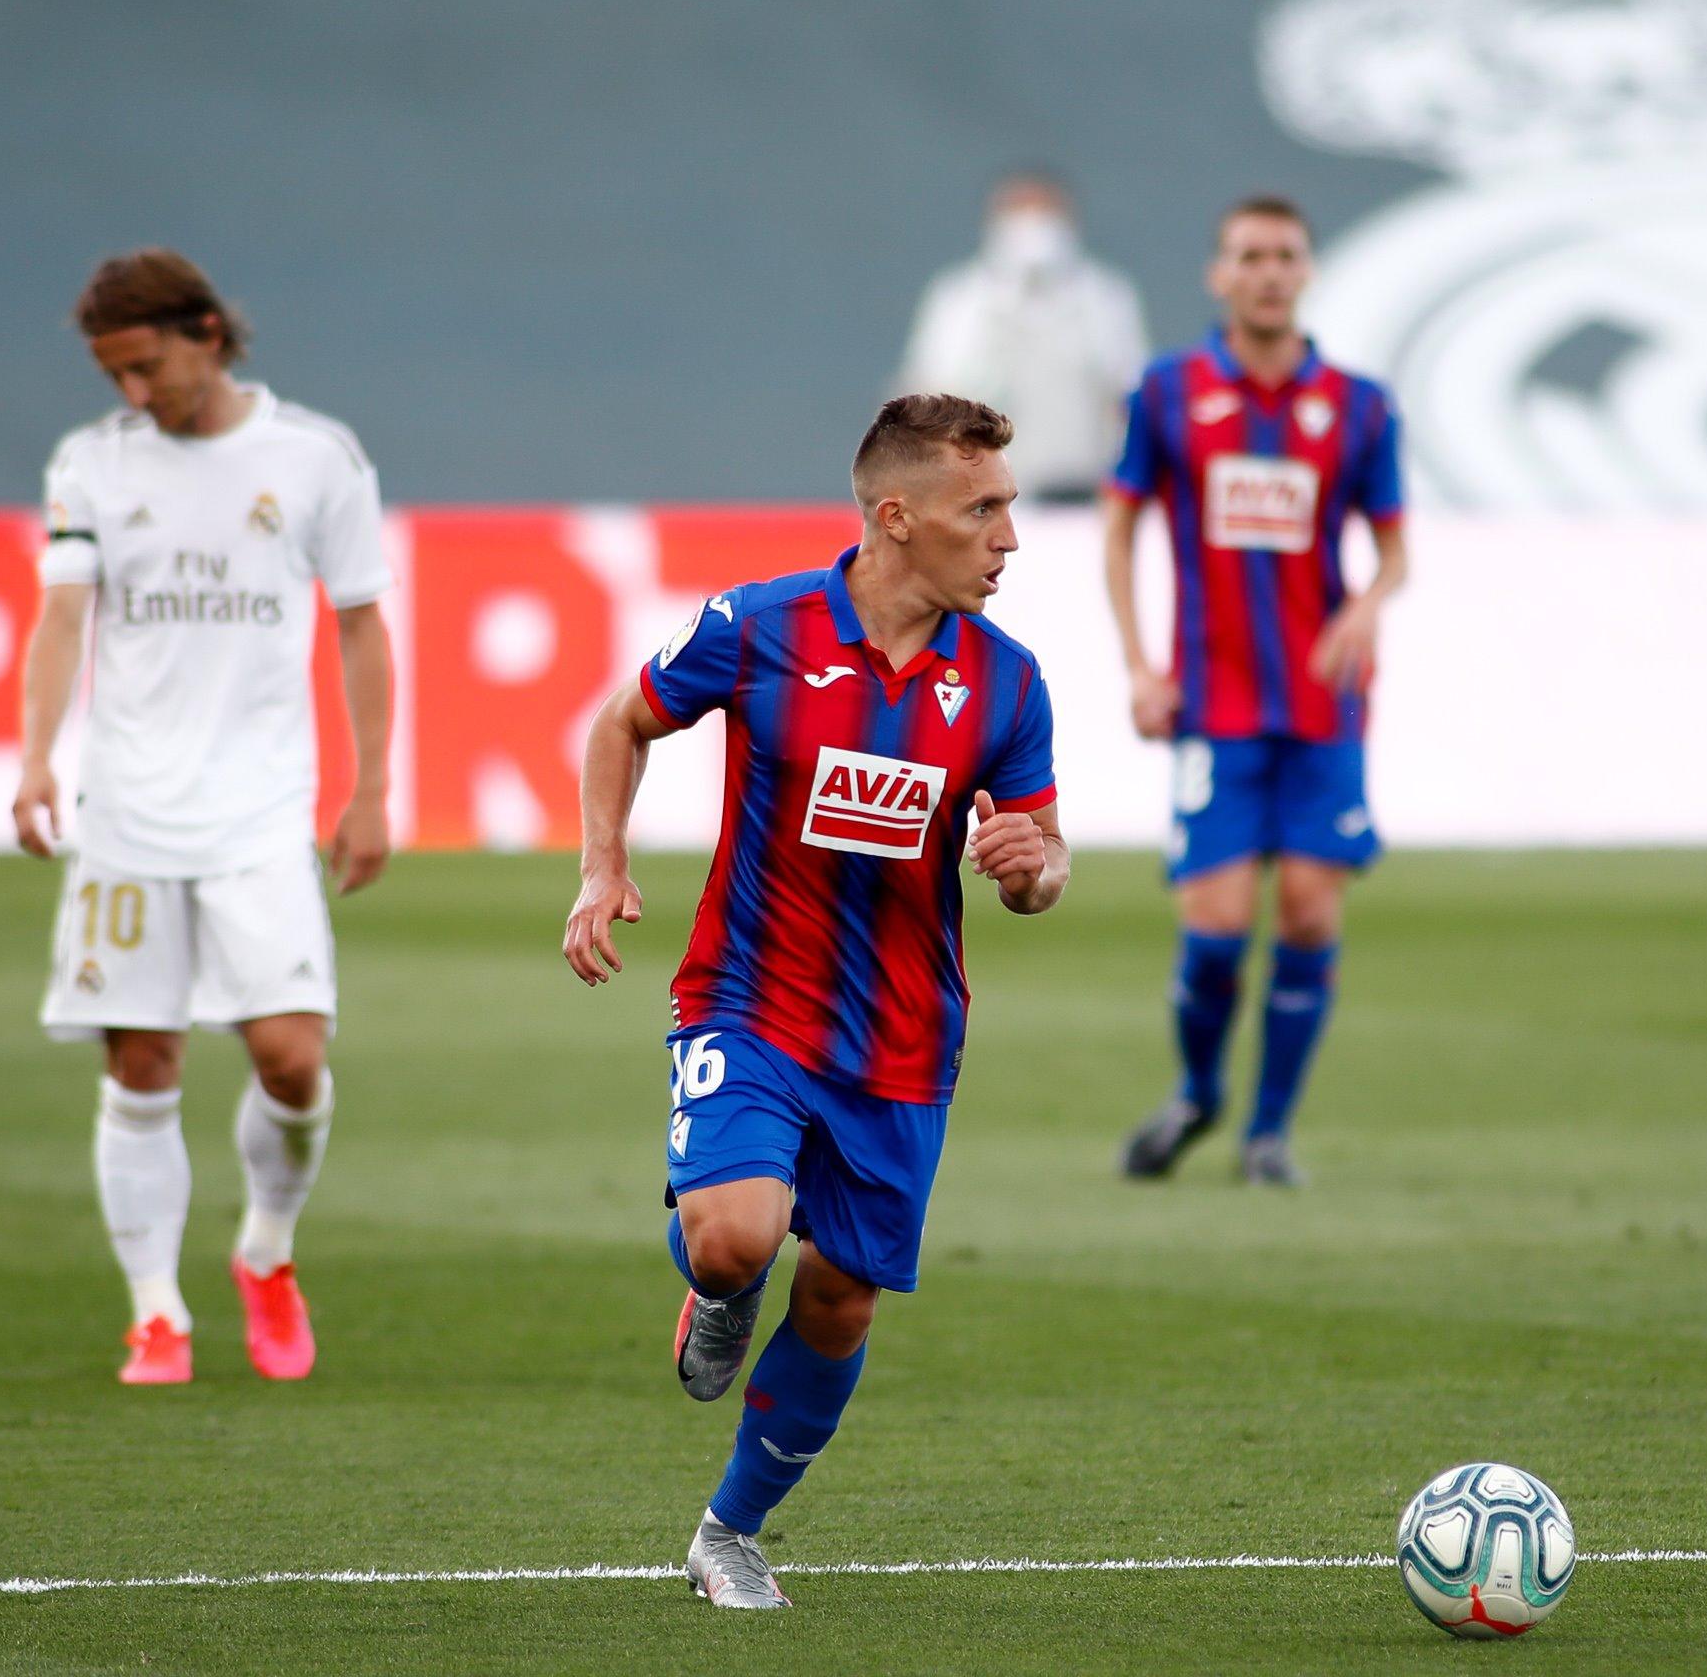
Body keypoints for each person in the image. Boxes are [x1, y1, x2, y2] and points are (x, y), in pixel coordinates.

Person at [563, 393, 1070, 1613]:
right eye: (982, 509)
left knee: (840, 1295)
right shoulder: (759, 625)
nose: (1009, 536)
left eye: (1009, 505)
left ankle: (730, 1529)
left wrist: (1035, 867)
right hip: (749, 1000)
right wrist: (603, 861)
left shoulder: (1004, 681)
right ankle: (722, 1285)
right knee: (735, 1233)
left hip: (902, 1037)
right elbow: (624, 719)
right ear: (894, 516)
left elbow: (1041, 852)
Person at [13, 248, 396, 1386]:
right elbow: (64, 617)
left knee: (289, 1056)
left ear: (208, 335)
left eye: (145, 365)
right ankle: (155, 1310)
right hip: (126, 812)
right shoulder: (90, 461)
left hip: (260, 812)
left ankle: (265, 1253)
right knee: (141, 1059)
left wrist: (370, 785)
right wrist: (36, 755)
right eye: (112, 372)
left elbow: (363, 624)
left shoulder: (316, 458)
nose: (134, 392)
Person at [1103, 196, 1407, 1188]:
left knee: (1313, 915)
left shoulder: (1359, 405)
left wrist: (1365, 604)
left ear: (1307, 270)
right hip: (1216, 704)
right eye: (1249, 255)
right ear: (1218, 275)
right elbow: (1120, 529)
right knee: (1219, 922)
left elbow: (1395, 548)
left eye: (1285, 254)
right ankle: (1199, 1090)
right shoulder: (1168, 391)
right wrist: (1142, 666)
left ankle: (1268, 1130)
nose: (1269, 270)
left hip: (1323, 706)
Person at [893, 171, 1151, 500]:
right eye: (1018, 211)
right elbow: (932, 391)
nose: (1032, 227)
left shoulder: (1106, 296)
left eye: (1045, 213)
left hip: (1083, 492)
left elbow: (1130, 392)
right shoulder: (959, 298)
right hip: (980, 490)